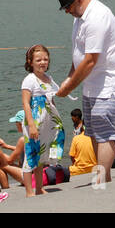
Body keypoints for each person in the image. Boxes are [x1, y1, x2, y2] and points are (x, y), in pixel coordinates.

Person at [56, 0, 115, 183]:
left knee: (103, 130)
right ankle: (103, 178)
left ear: (78, 0)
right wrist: (69, 77)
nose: (67, 12)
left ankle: (101, 180)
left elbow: (90, 60)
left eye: (67, 8)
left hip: (110, 82)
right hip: (92, 84)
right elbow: (78, 53)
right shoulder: (79, 16)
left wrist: (69, 87)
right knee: (92, 131)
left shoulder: (97, 17)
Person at [17, 43, 67, 197]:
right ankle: (29, 190)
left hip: (47, 121)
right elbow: (26, 103)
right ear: (30, 62)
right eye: (38, 60)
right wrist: (31, 124)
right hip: (34, 121)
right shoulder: (29, 80)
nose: (42, 62)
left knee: (41, 156)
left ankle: (39, 188)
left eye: (45, 59)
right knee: (31, 155)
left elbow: (51, 99)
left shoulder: (48, 78)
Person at [68, 108, 97, 177]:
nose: (71, 118)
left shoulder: (77, 137)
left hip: (79, 169)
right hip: (94, 168)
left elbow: (72, 156)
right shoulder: (96, 138)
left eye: (73, 116)